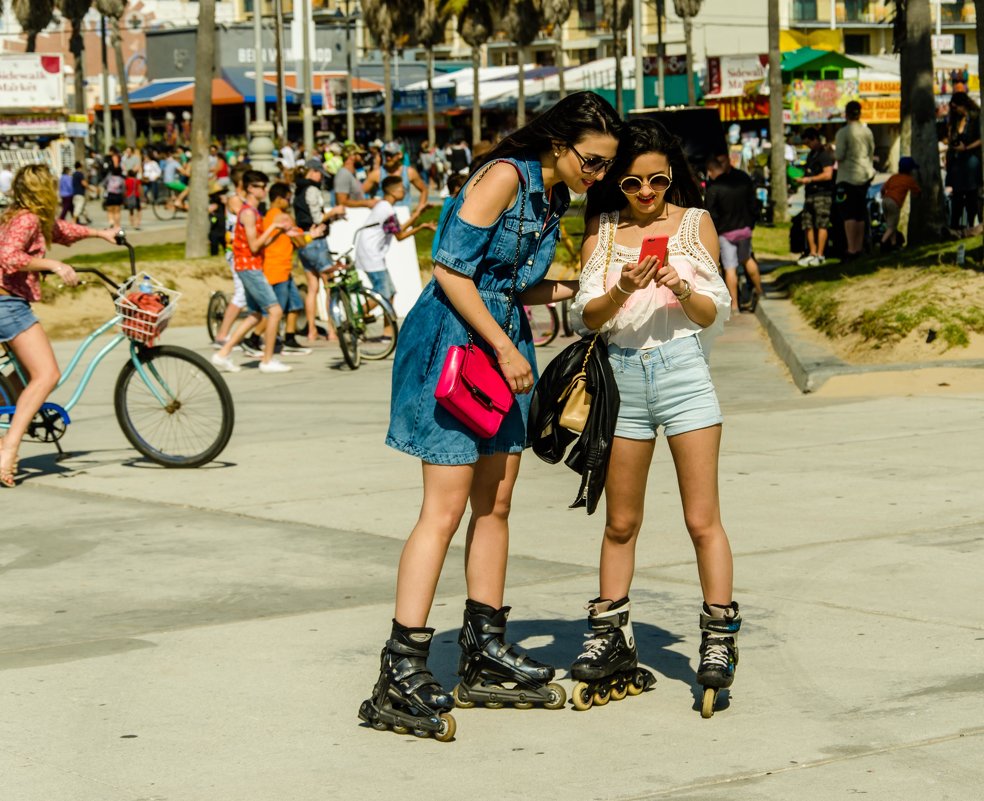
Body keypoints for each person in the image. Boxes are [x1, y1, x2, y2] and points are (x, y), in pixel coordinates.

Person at [358, 91, 621, 739]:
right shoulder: (503, 175)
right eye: (592, 162)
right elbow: (450, 267)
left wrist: (582, 289)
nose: (598, 177)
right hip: (455, 350)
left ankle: (482, 649)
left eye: (605, 168)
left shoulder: (554, 196)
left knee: (496, 502)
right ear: (560, 144)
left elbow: (508, 282)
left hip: (505, 351)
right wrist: (503, 346)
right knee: (443, 509)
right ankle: (400, 667)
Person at [568, 117, 737, 715]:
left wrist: (677, 285)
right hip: (622, 381)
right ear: (616, 184)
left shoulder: (695, 225)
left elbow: (714, 311)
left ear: (672, 179)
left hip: (683, 373)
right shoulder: (603, 231)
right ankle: (609, 632)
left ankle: (718, 639)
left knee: (701, 519)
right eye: (633, 184)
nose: (645, 194)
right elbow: (585, 318)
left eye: (657, 182)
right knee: (621, 521)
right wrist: (621, 290)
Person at [0, 164, 118, 487]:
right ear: (43, 190)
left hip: (8, 301)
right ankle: (8, 447)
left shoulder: (26, 217)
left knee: (20, 377)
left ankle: (5, 434)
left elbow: (62, 232)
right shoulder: (26, 219)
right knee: (47, 374)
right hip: (6, 303)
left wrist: (101, 234)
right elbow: (8, 257)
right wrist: (52, 263)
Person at [210, 170, 294, 375]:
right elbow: (254, 245)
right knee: (274, 311)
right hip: (249, 267)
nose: (264, 190)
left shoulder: (254, 212)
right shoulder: (248, 213)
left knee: (256, 315)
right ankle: (267, 359)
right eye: (260, 186)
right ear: (249, 188)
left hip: (251, 266)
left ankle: (223, 353)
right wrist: (273, 227)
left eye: (265, 186)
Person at [354, 175, 435, 338]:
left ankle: (387, 331)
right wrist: (421, 227)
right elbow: (400, 236)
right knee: (383, 293)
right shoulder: (387, 209)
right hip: (371, 255)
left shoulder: (384, 207)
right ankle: (356, 318)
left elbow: (397, 229)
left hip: (370, 252)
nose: (404, 191)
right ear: (391, 191)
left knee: (389, 293)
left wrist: (418, 214)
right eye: (401, 189)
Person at [293, 158, 345, 345]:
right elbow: (317, 217)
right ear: (313, 172)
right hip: (317, 241)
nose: (320, 179)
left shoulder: (297, 190)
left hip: (304, 241)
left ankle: (312, 331)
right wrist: (334, 212)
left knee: (312, 288)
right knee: (329, 286)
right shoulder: (312, 189)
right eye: (319, 174)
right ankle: (332, 329)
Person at [704, 155, 763, 312]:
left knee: (730, 268)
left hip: (726, 232)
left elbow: (710, 214)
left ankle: (735, 305)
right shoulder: (741, 181)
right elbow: (752, 202)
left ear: (710, 171)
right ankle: (760, 291)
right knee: (747, 259)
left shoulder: (714, 188)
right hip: (744, 229)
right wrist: (751, 222)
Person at [263, 182, 314, 355]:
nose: (289, 201)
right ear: (278, 199)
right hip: (278, 268)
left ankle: (289, 337)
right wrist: (309, 236)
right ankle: (259, 339)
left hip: (279, 267)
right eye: (287, 198)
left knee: (294, 304)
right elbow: (299, 242)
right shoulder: (283, 218)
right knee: (277, 309)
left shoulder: (268, 216)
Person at [213, 164, 249, 349]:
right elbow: (245, 216)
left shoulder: (243, 199)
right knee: (241, 294)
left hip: (245, 250)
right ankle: (222, 336)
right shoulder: (235, 200)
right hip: (235, 251)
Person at [834, 100, 876, 259]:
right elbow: (872, 151)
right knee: (860, 213)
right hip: (864, 175)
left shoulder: (843, 133)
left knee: (849, 214)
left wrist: (832, 153)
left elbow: (839, 155)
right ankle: (859, 247)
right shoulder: (867, 131)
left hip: (847, 177)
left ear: (846, 113)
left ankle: (851, 249)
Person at [795, 127, 835, 266]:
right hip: (810, 194)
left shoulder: (824, 154)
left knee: (821, 223)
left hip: (822, 194)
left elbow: (828, 174)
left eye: (808, 142)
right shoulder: (812, 154)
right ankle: (812, 253)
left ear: (814, 139)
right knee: (808, 224)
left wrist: (810, 179)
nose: (807, 146)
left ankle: (820, 253)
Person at [945, 92, 982, 231]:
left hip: (971, 157)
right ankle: (955, 225)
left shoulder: (975, 117)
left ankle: (971, 224)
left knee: (972, 192)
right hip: (957, 159)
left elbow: (980, 139)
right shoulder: (956, 119)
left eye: (956, 107)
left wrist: (966, 148)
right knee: (957, 194)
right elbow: (951, 137)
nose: (955, 110)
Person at [364, 141, 429, 215]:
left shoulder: (409, 172)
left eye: (391, 155)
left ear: (399, 155)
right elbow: (360, 192)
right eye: (386, 154)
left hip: (403, 213)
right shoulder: (377, 174)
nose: (388, 158)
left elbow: (424, 190)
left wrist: (419, 209)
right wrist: (368, 203)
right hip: (383, 215)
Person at [880, 157, 921, 250]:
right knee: (892, 225)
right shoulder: (909, 179)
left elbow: (883, 188)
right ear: (910, 170)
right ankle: (883, 243)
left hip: (885, 200)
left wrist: (883, 195)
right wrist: (918, 195)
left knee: (890, 224)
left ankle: (894, 244)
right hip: (894, 202)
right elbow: (917, 191)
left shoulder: (893, 177)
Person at [333, 144, 378, 210]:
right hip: (349, 218)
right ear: (352, 156)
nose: (362, 158)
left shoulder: (351, 174)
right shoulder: (343, 174)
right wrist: (366, 203)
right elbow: (341, 202)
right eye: (360, 155)